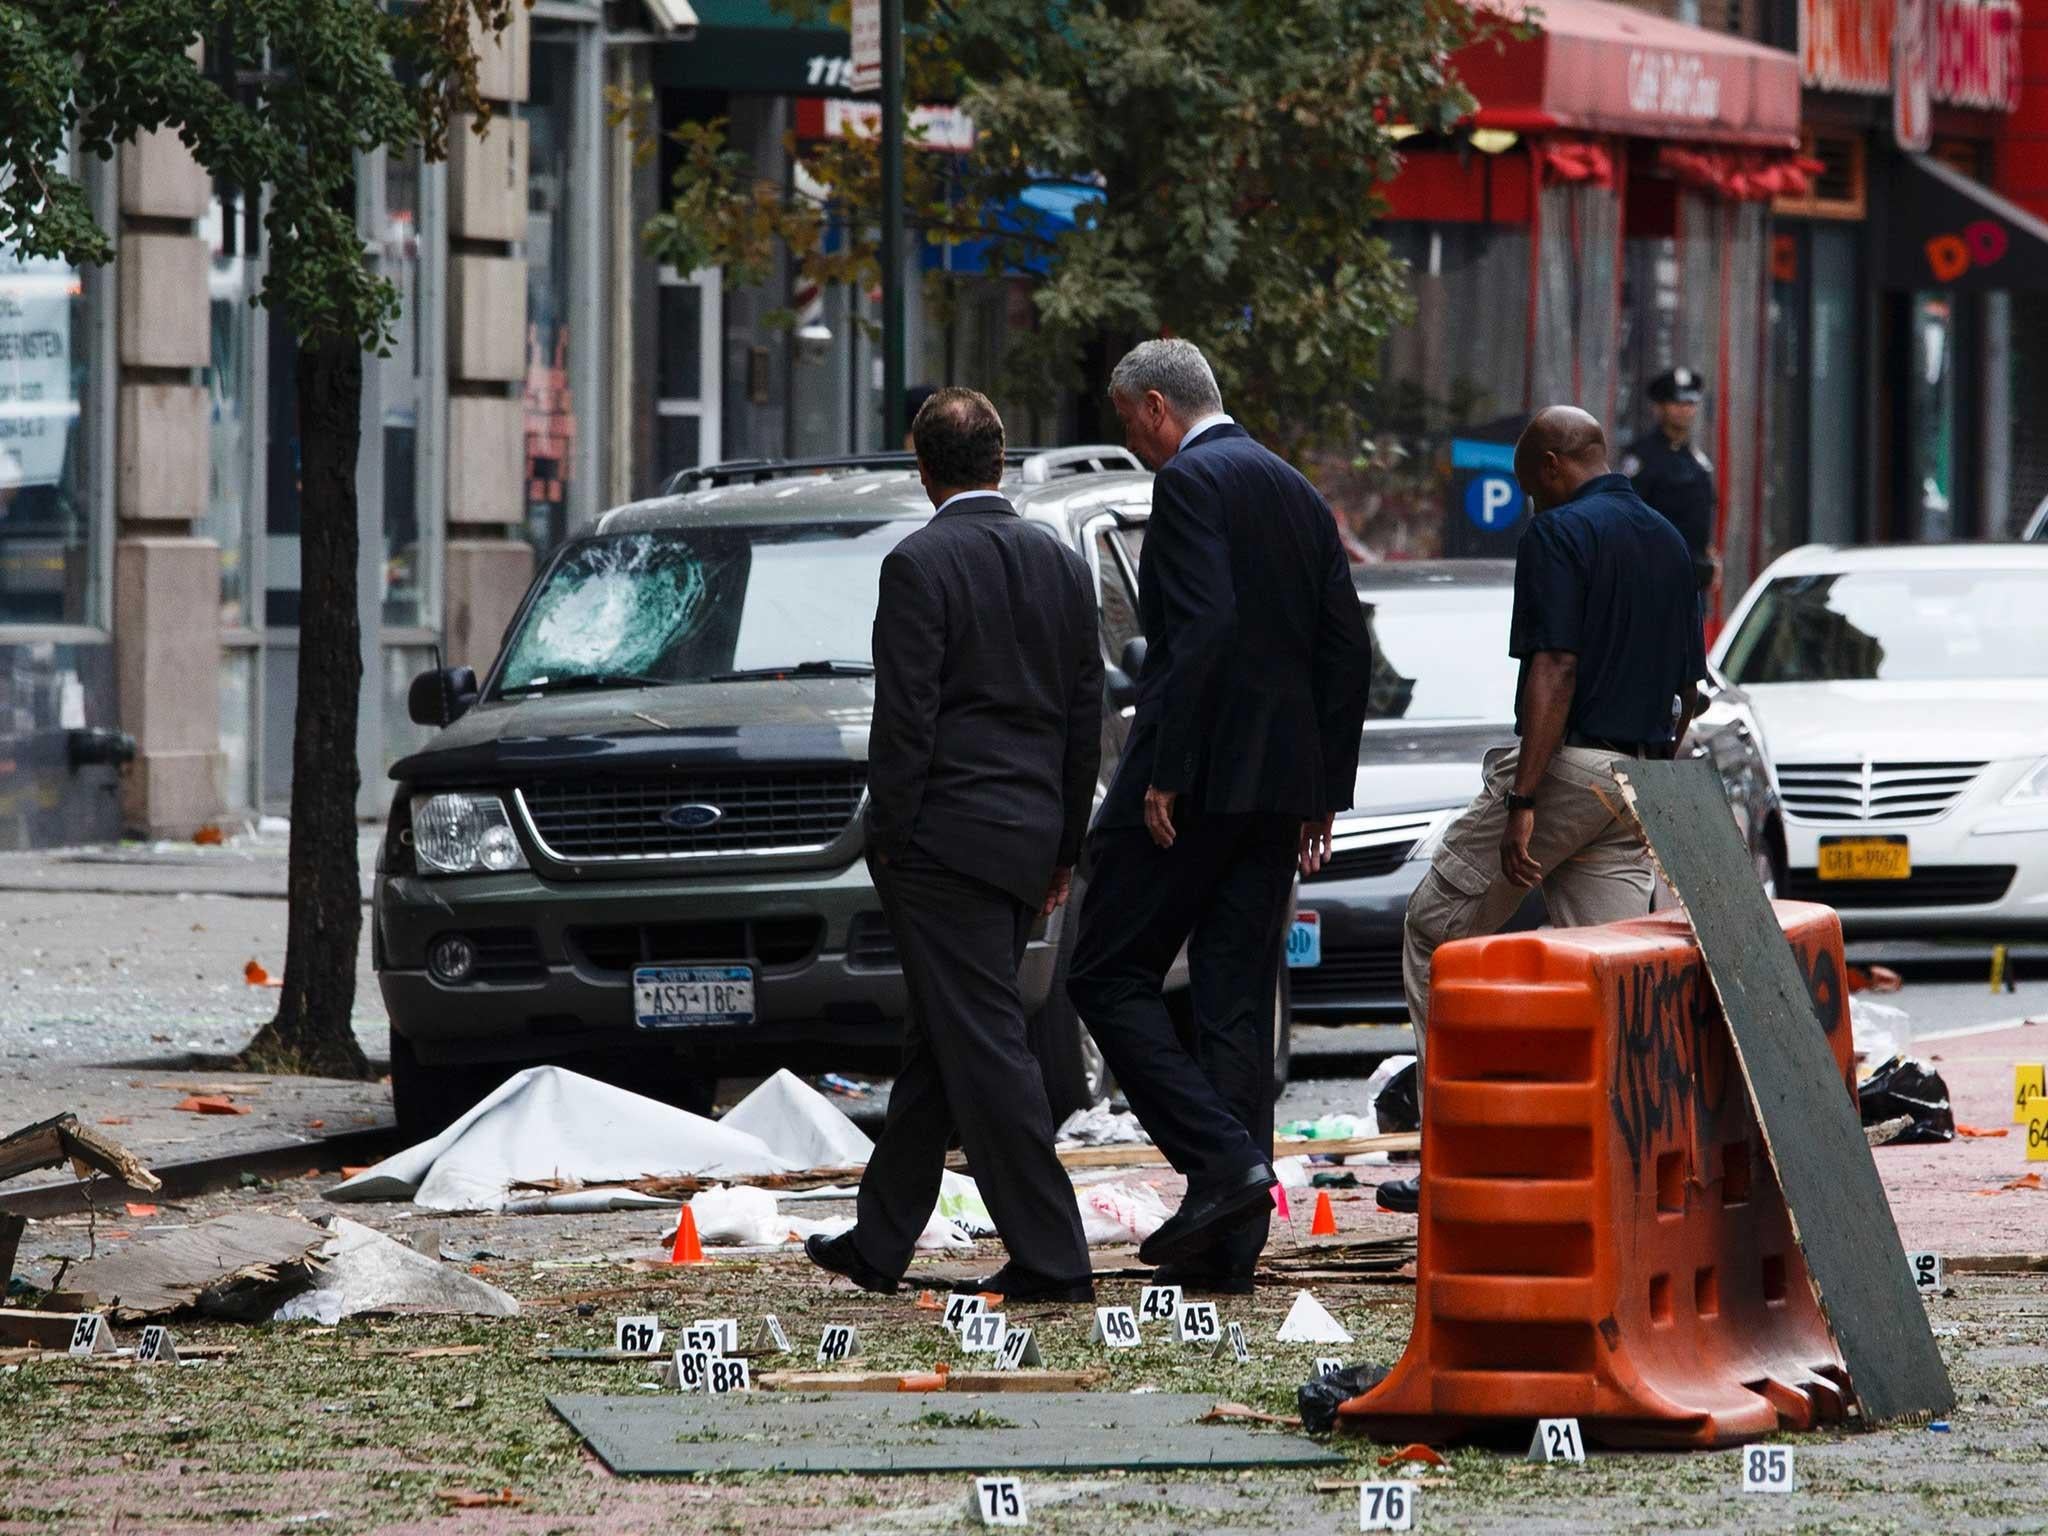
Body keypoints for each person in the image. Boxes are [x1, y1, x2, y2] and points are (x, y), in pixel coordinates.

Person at [1066, 339, 1374, 1291]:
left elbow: (1195, 636)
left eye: (1129, 423)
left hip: (1197, 785)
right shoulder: (1292, 487)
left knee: (1106, 971)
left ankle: (1222, 1165)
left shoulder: (1192, 484)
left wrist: (1163, 770)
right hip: (1279, 793)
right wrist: (1321, 790)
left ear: (1158, 406)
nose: (1135, 442)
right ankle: (1230, 1244)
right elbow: (1345, 648)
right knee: (1236, 1002)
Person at [805, 389, 1104, 1304]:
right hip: (1021, 844)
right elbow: (1082, 714)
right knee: (940, 1042)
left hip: (943, 845)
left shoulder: (919, 564)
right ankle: (880, 1240)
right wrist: (1064, 846)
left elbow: (907, 724)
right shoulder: (1058, 564)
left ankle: (1054, 1257)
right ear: (1002, 461)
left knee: (982, 1047)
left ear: (921, 466)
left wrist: (887, 841)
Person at [1381, 405, 1706, 1215]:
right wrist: (1648, 781)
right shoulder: (1667, 539)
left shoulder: (1557, 535)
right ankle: (1619, 1170)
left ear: (1558, 464)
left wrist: (1526, 797)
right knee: (1611, 978)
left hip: (1570, 767)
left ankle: (1461, 1159)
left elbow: (1553, 667)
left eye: (1533, 486)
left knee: (1437, 930)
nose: (1531, 502)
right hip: (1641, 777)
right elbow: (1690, 691)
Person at [1620, 367, 1717, 592]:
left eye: (1690, 403)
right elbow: (1627, 513)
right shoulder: (1642, 456)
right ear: (1659, 407)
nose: (1684, 410)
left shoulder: (1696, 458)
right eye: (1676, 403)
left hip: (1694, 575)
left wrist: (1709, 552)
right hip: (1654, 573)